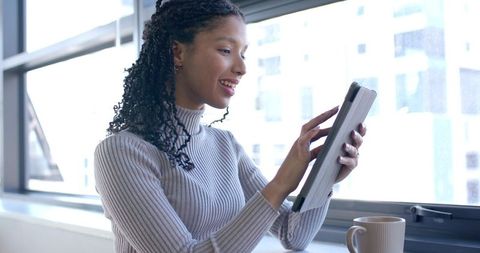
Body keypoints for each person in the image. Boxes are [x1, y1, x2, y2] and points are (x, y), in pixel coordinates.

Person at [94, 0, 366, 252]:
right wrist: (281, 183)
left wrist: (327, 173)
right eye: (226, 50)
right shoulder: (121, 152)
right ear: (177, 52)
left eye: (243, 54)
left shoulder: (225, 145)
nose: (241, 68)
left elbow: (292, 234)